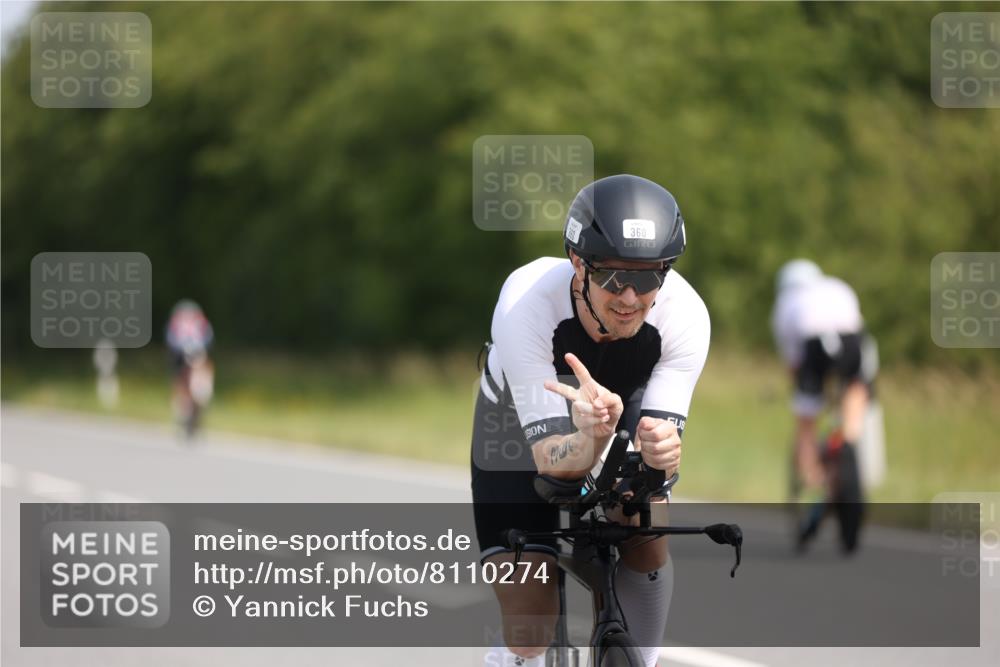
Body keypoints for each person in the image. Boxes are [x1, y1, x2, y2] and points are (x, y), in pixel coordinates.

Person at [471, 175, 710, 667]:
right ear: (579, 264)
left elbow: (659, 447)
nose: (629, 297)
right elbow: (552, 464)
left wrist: (661, 455)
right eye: (612, 278)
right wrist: (589, 437)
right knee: (529, 617)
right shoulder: (526, 304)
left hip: (621, 408)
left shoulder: (685, 315)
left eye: (647, 278)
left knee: (645, 531)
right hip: (518, 423)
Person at [770, 260, 871, 506]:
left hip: (814, 345)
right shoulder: (837, 286)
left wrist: (806, 393)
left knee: (807, 420)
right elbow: (859, 330)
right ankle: (848, 439)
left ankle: (814, 476)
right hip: (851, 341)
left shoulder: (785, 303)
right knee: (856, 388)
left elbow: (794, 361)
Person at [165, 299, 215, 436]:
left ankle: (189, 416)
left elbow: (170, 339)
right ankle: (184, 416)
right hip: (185, 356)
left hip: (192, 356)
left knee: (191, 387)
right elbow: (209, 338)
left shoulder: (183, 321)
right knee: (182, 386)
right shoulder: (198, 322)